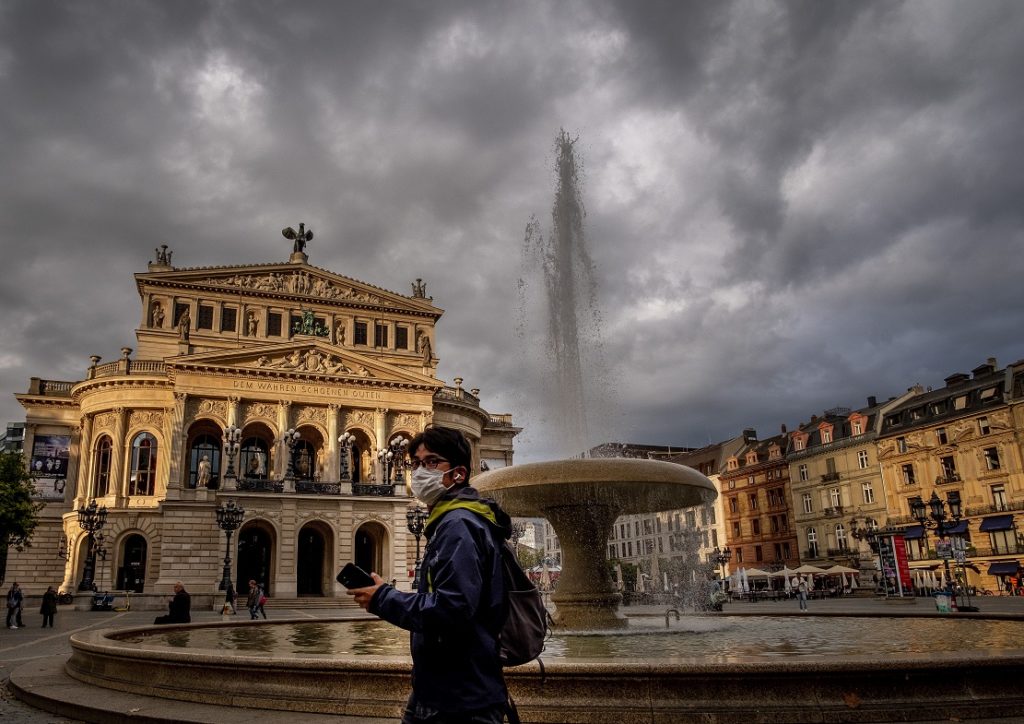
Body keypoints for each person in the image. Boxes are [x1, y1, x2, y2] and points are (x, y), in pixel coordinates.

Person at [347, 426, 512, 724]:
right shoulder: (456, 521)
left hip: (459, 699)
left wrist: (383, 598)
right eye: (416, 464)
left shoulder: (458, 525)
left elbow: (455, 608)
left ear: (458, 474)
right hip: (448, 687)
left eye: (432, 462)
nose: (420, 472)